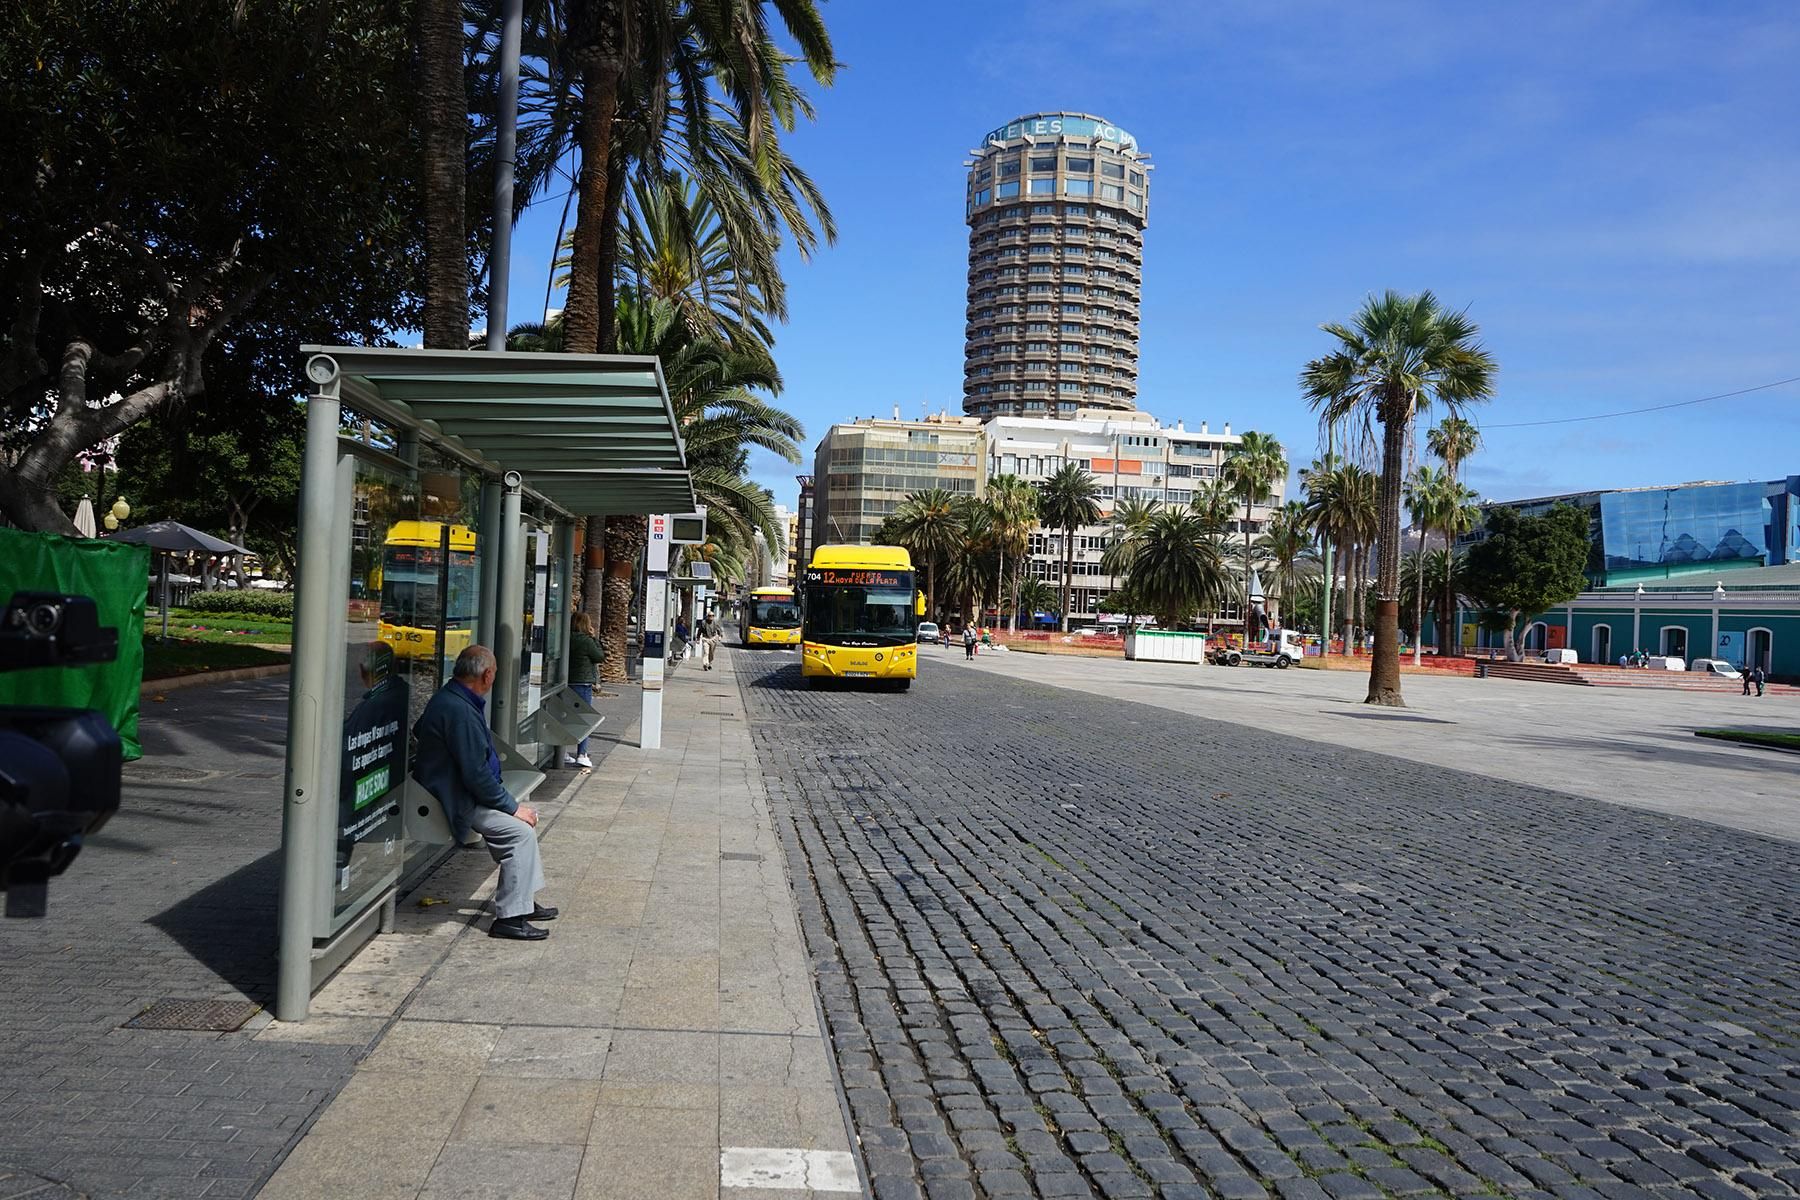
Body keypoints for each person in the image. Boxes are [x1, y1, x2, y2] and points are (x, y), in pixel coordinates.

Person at [412, 645, 556, 941]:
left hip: (460, 790)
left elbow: (419, 730)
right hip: (456, 798)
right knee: (520, 833)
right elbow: (476, 775)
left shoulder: (451, 697)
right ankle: (511, 918)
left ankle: (522, 901)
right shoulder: (458, 709)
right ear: (487, 675)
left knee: (519, 826)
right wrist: (512, 807)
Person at [564, 612, 604, 769]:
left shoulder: (565, 638)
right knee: (584, 719)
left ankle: (563, 751)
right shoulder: (587, 641)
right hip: (583, 683)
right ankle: (582, 754)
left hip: (566, 682)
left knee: (565, 717)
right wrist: (594, 638)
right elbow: (599, 656)